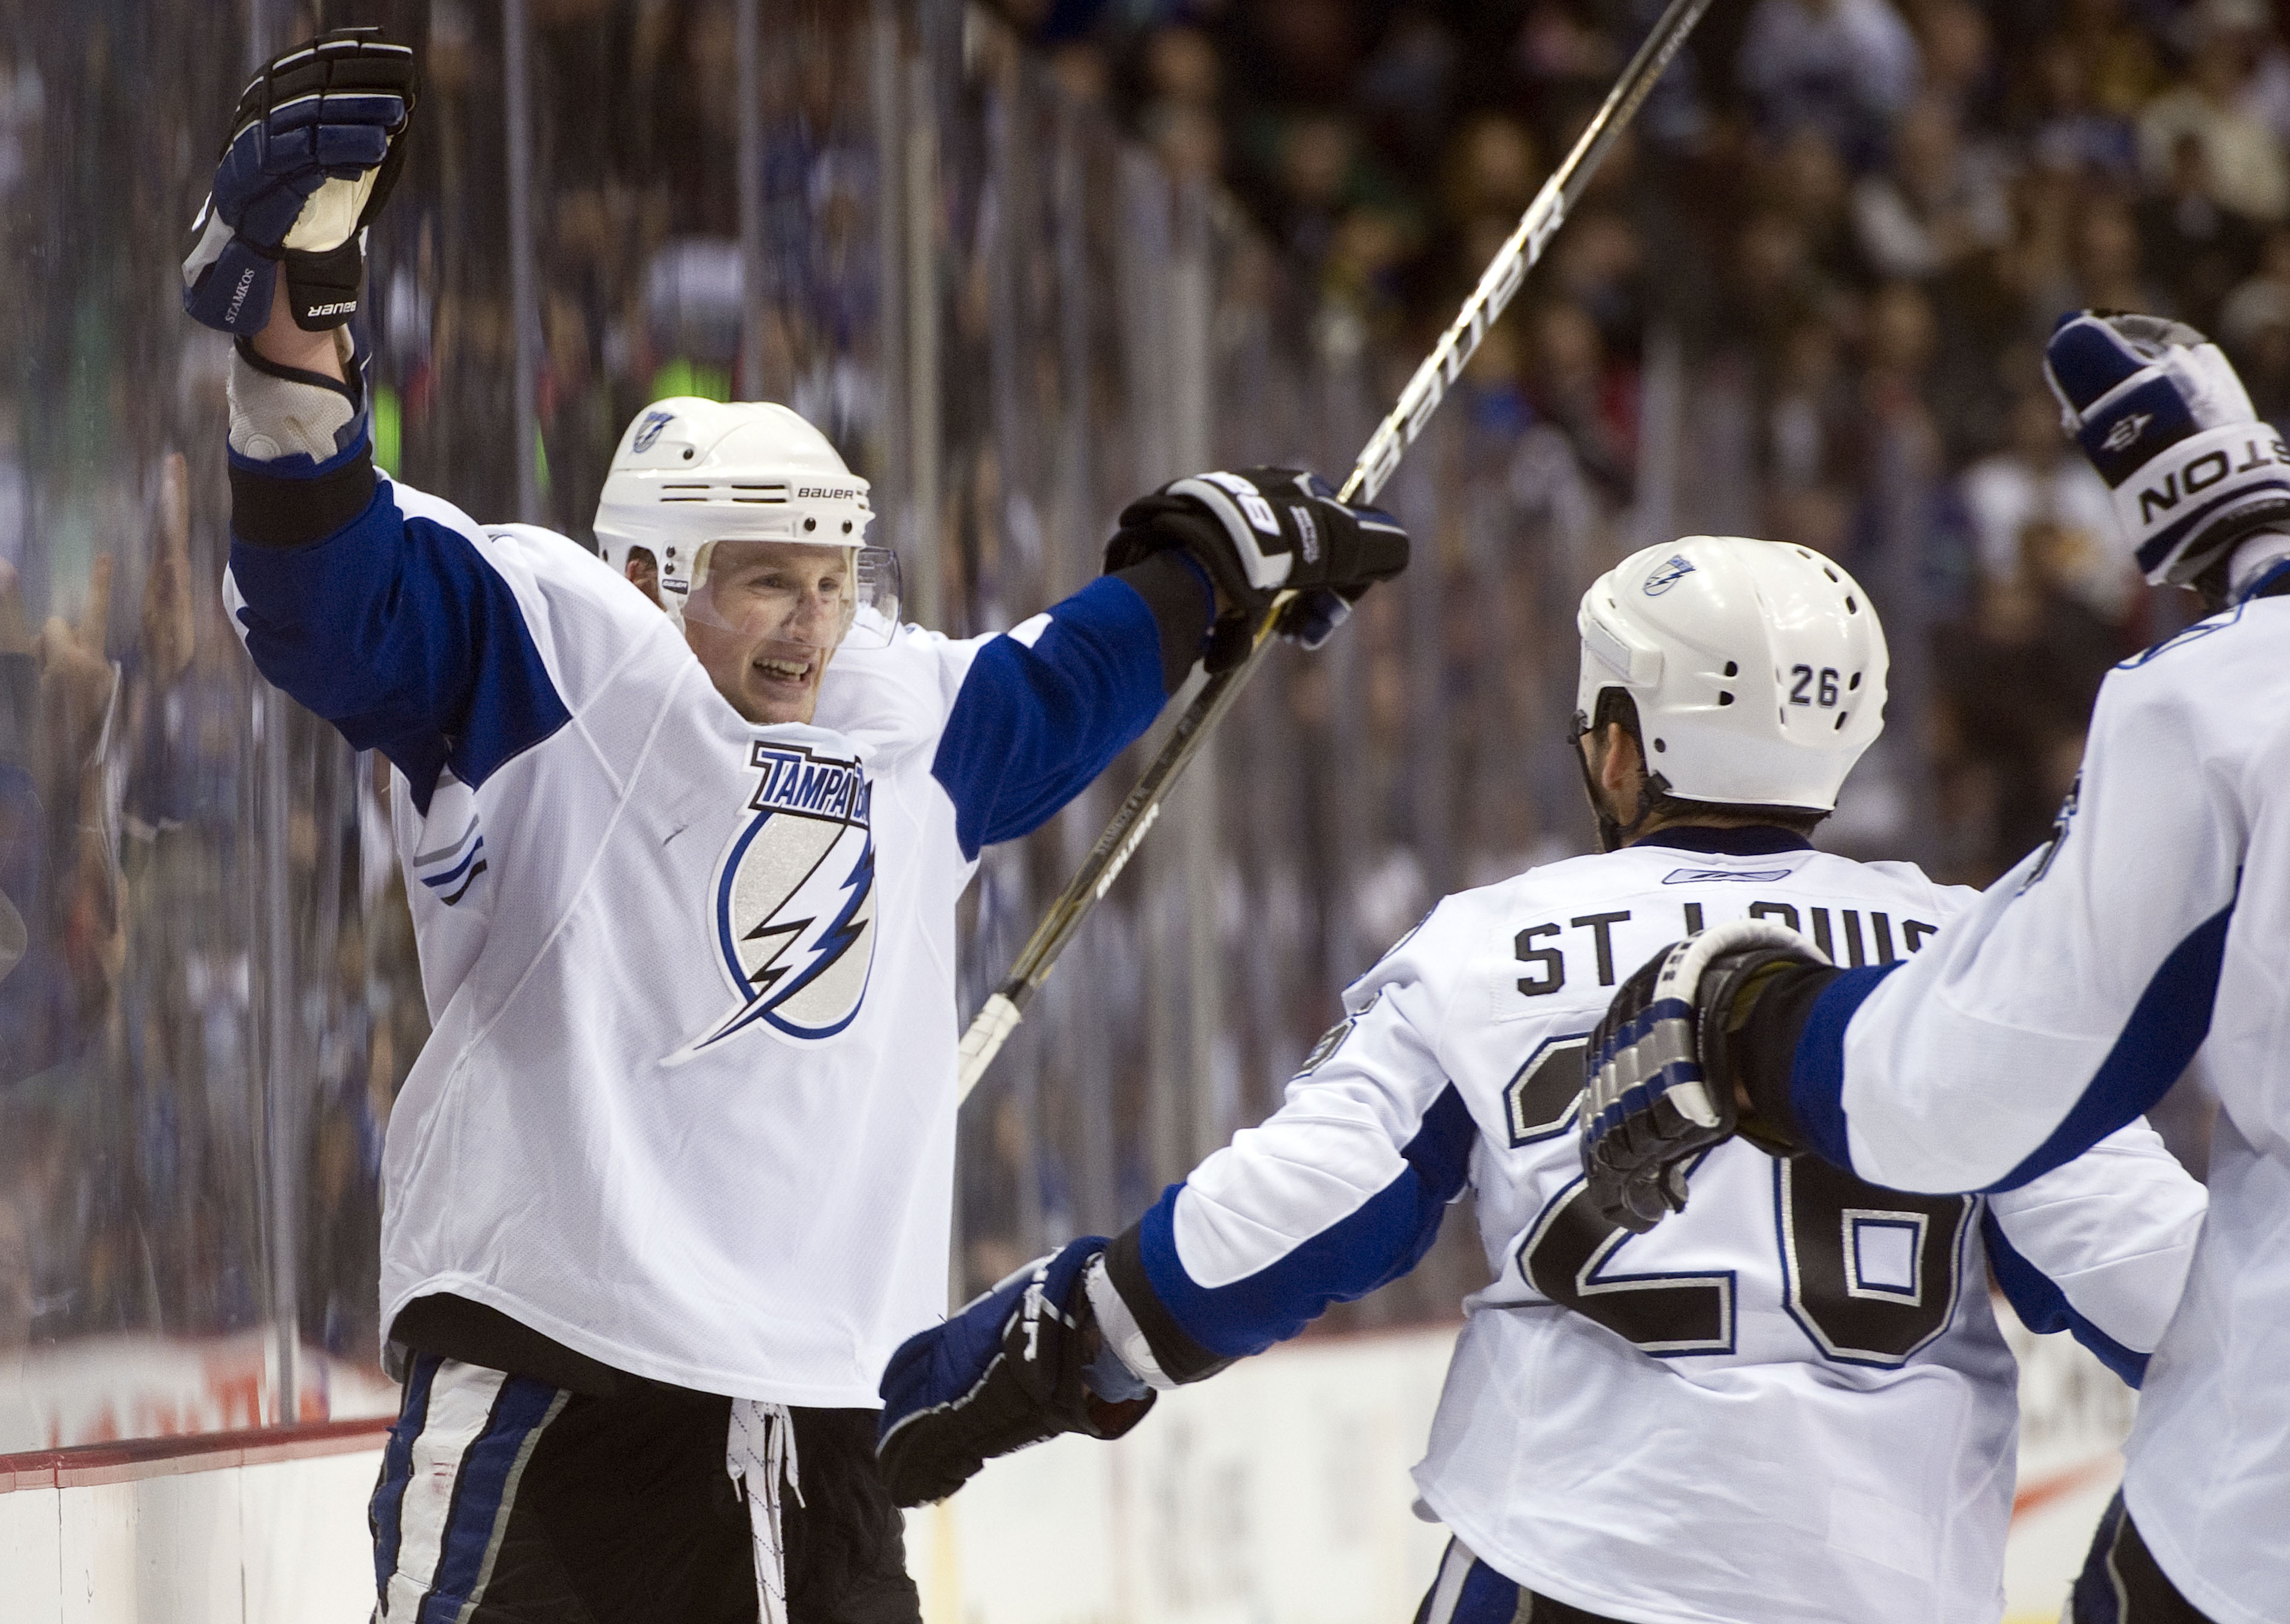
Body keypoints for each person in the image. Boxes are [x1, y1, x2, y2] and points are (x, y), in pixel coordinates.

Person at [178, 32, 1407, 1624]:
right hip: (564, 1408)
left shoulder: (898, 720)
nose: (808, 625)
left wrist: (1210, 562)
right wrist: (302, 330)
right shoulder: (563, 663)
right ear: (651, 579)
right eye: (763, 576)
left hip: (827, 1440)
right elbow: (331, 603)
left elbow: (1061, 692)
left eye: (831, 579)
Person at [870, 535, 2206, 1624]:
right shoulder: (1969, 951)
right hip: (1891, 1583)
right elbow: (2145, 1274)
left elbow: (1295, 1212)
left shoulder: (1490, 941)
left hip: (1570, 1562)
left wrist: (1057, 1348)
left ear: (1621, 745)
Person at [1575, 311, 2290, 1624]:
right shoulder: (1931, 911)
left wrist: (1750, 1023)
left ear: (1616, 740)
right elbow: (2121, 1249)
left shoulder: (2232, 704)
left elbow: (1977, 1084)